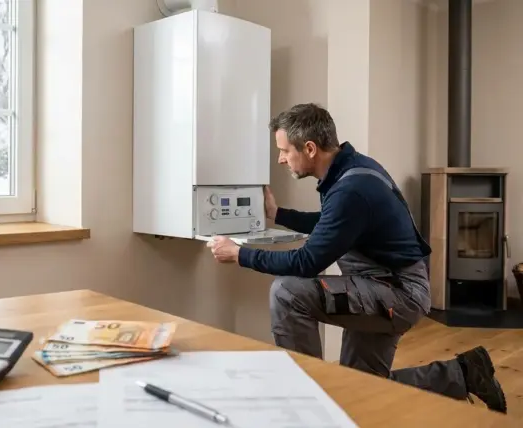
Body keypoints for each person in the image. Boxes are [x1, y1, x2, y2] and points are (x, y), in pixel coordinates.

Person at [206, 103, 507, 413]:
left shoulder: (352, 189)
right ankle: (464, 373)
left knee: (287, 292)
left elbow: (305, 263)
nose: (281, 158)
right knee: (358, 387)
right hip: (385, 286)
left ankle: (305, 398)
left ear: (309, 148)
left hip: (397, 292)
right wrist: (277, 214)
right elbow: (332, 224)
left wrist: (240, 254)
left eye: (284, 150)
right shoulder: (350, 171)